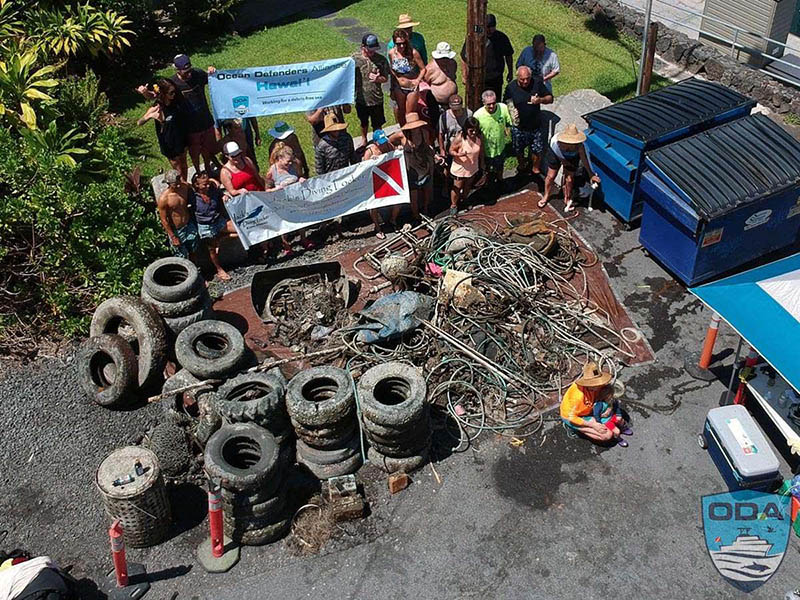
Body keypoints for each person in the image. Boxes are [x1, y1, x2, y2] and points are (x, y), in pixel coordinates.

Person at [137, 54, 219, 172]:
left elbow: (214, 79)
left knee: (208, 149)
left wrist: (212, 72)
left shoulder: (198, 74)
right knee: (194, 152)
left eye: (189, 70)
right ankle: (198, 172)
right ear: (177, 69)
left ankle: (208, 169)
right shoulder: (172, 83)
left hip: (206, 120)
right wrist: (145, 93)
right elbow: (157, 95)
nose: (189, 74)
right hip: (190, 126)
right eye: (185, 72)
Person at [560, 362, 631, 445]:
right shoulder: (577, 396)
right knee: (607, 435)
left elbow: (610, 397)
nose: (600, 384)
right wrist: (593, 425)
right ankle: (576, 429)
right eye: (595, 383)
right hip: (574, 417)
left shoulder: (598, 386)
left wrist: (610, 407)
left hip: (590, 409)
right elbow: (571, 417)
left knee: (616, 420)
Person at [503, 66, 553, 176]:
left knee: (537, 150)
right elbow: (506, 102)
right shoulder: (511, 87)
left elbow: (550, 98)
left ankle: (535, 169)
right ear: (517, 77)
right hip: (518, 127)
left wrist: (540, 100)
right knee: (518, 149)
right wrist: (511, 110)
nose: (525, 81)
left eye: (527, 78)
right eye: (522, 79)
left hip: (535, 126)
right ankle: (521, 166)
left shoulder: (537, 83)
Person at [539, 124, 601, 212]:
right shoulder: (555, 142)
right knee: (551, 176)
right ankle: (546, 196)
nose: (569, 145)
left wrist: (591, 175)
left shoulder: (582, 147)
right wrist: (566, 164)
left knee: (569, 179)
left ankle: (567, 198)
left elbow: (586, 160)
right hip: (556, 154)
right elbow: (561, 158)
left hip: (572, 157)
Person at [387, 112, 434, 227]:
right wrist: (396, 149)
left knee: (427, 191)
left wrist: (434, 158)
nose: (415, 129)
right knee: (414, 196)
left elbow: (428, 147)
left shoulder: (424, 133)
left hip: (424, 166)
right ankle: (416, 215)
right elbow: (389, 141)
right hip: (410, 170)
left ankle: (426, 210)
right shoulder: (402, 136)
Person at [137, 79, 190, 181]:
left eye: (174, 91)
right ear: (164, 93)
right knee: (178, 169)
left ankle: (185, 184)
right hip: (168, 142)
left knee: (184, 164)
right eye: (171, 93)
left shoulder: (176, 101)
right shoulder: (157, 107)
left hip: (180, 137)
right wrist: (149, 116)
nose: (174, 94)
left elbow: (152, 95)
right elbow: (139, 123)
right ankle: (182, 185)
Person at [191, 170, 238, 281]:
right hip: (205, 226)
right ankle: (219, 269)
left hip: (218, 221)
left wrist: (224, 195)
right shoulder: (192, 196)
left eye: (208, 183)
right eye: (204, 184)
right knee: (211, 249)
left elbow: (220, 193)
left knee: (240, 230)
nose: (207, 186)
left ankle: (220, 238)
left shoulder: (213, 190)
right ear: (197, 185)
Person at [268, 143, 311, 257]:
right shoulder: (272, 171)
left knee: (301, 219)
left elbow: (301, 175)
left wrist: (301, 179)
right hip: (282, 202)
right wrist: (275, 189)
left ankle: (303, 239)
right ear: (279, 158)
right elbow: (267, 190)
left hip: (296, 199)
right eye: (287, 162)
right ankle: (286, 246)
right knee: (284, 224)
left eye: (291, 161)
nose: (290, 164)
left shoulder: (295, 164)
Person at [460, 14, 513, 98]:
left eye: (492, 27)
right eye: (487, 27)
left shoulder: (502, 38)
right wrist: (464, 76)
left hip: (495, 79)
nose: (490, 30)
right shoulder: (474, 37)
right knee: (477, 101)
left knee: (495, 101)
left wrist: (510, 72)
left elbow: (508, 55)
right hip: (477, 79)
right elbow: (464, 57)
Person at [353, 33, 390, 146]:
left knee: (377, 123)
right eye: (370, 49)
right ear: (363, 47)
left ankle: (378, 141)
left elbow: (385, 78)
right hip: (361, 98)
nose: (372, 52)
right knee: (363, 121)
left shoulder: (381, 60)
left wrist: (378, 79)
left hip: (376, 98)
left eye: (374, 49)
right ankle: (364, 139)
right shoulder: (354, 59)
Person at [362, 129, 398, 239]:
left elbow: (395, 153)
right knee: (373, 205)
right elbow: (363, 168)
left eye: (384, 142)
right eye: (380, 143)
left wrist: (398, 150)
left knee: (399, 198)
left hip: (388, 178)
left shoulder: (389, 146)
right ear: (375, 142)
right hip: (375, 181)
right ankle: (377, 227)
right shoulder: (370, 151)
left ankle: (393, 220)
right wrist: (370, 161)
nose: (383, 145)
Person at [473, 89, 512, 187]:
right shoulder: (477, 115)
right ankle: (487, 186)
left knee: (500, 167)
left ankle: (500, 182)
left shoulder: (503, 108)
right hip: (486, 150)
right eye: (488, 104)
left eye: (493, 103)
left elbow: (510, 122)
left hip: (500, 147)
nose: (491, 106)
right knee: (487, 171)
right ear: (483, 103)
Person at [157, 170, 199, 260]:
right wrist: (173, 236)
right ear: (168, 184)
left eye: (179, 182)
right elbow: (164, 220)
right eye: (175, 184)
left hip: (189, 225)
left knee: (194, 250)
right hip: (177, 230)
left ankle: (195, 266)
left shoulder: (184, 187)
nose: (178, 185)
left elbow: (193, 187)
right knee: (181, 256)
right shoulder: (164, 199)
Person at [388, 28, 426, 126]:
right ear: (394, 43)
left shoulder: (413, 53)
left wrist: (417, 80)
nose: (401, 46)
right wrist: (392, 88)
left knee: (410, 113)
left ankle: (412, 131)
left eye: (404, 43)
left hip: (411, 87)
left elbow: (423, 69)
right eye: (398, 44)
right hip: (398, 87)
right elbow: (392, 70)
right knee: (401, 111)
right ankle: (403, 131)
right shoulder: (391, 53)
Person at [448, 116, 484, 216]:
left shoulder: (479, 137)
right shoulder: (460, 138)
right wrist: (458, 154)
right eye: (471, 131)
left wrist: (482, 164)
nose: (474, 133)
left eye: (475, 130)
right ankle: (453, 205)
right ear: (466, 129)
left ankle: (464, 199)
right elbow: (451, 150)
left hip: (472, 167)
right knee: (457, 187)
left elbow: (481, 151)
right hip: (460, 168)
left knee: (468, 185)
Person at [425, 42, 458, 106]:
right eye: (443, 58)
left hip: (453, 102)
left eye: (447, 58)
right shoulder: (430, 69)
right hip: (436, 104)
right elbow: (424, 85)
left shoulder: (453, 64)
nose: (445, 60)